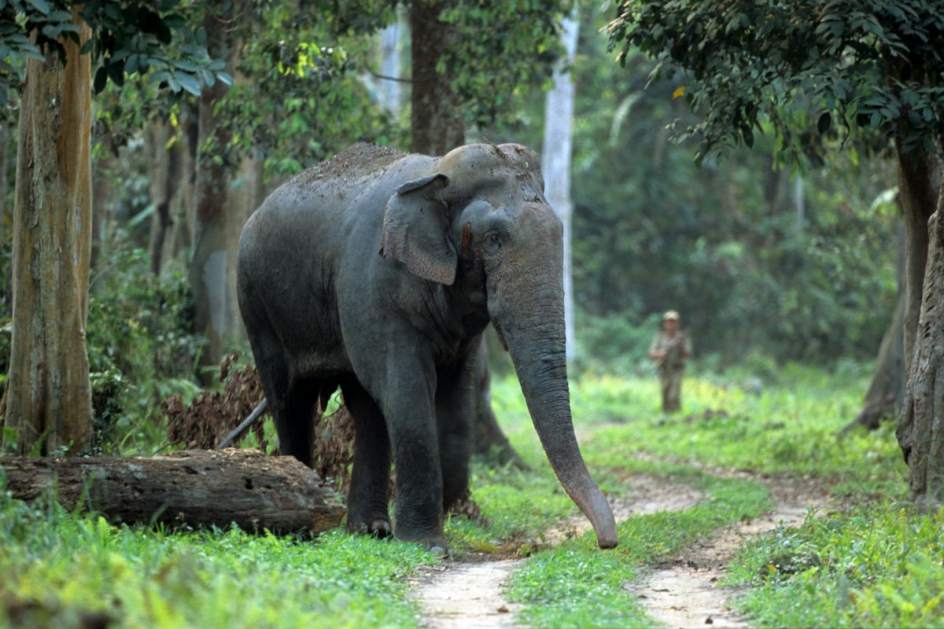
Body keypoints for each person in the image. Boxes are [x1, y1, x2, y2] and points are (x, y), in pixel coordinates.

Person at [648, 310, 691, 413]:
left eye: (673, 322)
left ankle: (676, 415)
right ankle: (666, 416)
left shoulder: (682, 337)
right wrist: (660, 353)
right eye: (669, 322)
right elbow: (651, 353)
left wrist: (680, 345)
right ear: (665, 323)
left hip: (677, 369)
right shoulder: (660, 337)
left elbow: (687, 354)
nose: (671, 324)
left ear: (677, 323)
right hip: (663, 369)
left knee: (674, 395)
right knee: (665, 394)